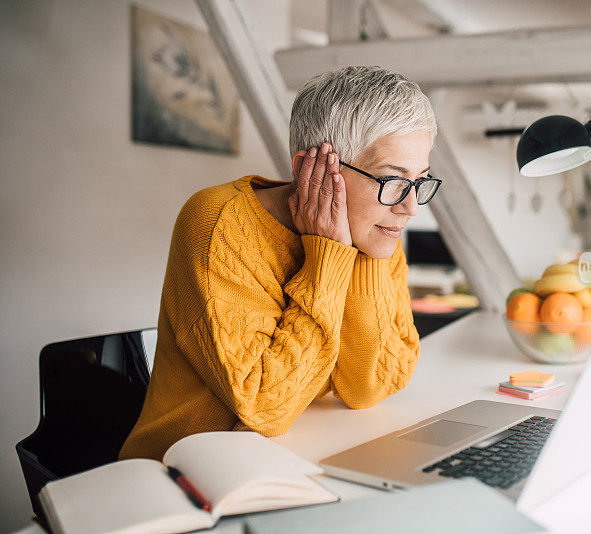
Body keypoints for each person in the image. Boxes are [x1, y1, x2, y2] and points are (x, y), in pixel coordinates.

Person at [119, 66, 440, 461]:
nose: (410, 207)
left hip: (293, 458)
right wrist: (327, 256)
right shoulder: (217, 223)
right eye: (394, 179)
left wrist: (365, 255)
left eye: (420, 181)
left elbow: (367, 388)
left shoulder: (377, 227)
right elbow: (266, 409)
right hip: (182, 476)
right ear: (317, 169)